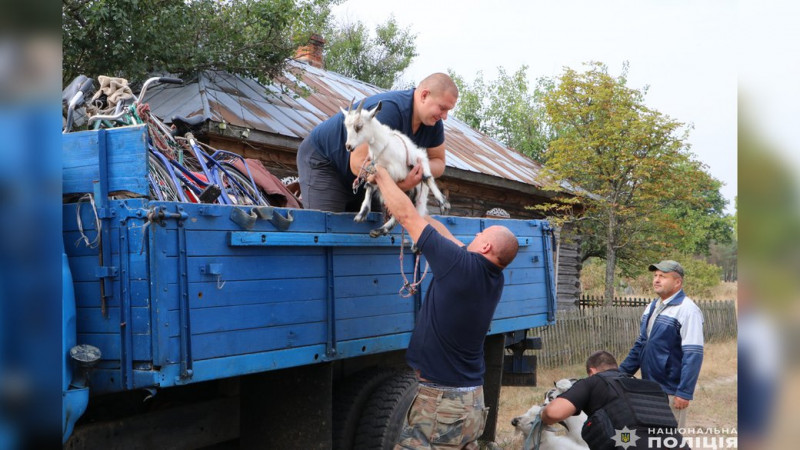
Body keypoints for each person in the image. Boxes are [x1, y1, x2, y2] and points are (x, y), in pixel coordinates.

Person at [367, 166, 519, 449]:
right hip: (469, 401)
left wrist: (381, 177)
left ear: (485, 247)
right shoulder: (489, 276)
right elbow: (443, 235)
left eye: (479, 235)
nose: (474, 235)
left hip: (443, 405)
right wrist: (413, 204)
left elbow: (407, 218)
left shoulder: (460, 267)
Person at [296, 73, 458, 212]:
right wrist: (398, 187)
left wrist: (416, 169)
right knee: (326, 229)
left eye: (448, 111)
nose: (444, 116)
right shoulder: (389, 111)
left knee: (372, 232)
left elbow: (439, 162)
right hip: (326, 162)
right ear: (424, 95)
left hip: (368, 175)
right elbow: (358, 163)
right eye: (442, 108)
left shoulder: (433, 123)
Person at [619, 260, 704, 429]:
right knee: (650, 440)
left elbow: (693, 353)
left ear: (677, 282)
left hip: (671, 391)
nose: (656, 280)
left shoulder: (687, 310)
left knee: (669, 442)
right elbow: (641, 344)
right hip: (649, 387)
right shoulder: (653, 306)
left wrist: (684, 392)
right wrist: (619, 373)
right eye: (655, 276)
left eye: (663, 277)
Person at [541, 351, 681, 450]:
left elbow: (553, 413)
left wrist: (542, 416)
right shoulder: (650, 387)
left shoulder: (593, 381)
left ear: (592, 371)